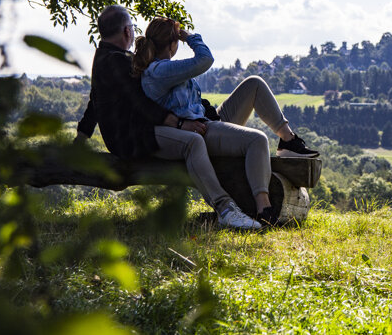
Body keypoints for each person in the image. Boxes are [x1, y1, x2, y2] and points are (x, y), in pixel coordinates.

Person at [76, 5, 261, 231]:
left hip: (137, 132)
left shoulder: (105, 57)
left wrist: (82, 136)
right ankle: (225, 208)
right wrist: (181, 124)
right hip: (132, 138)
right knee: (193, 142)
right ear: (127, 31)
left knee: (200, 137)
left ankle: (231, 203)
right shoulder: (116, 60)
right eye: (132, 28)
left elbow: (94, 100)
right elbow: (140, 103)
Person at [133, 17, 318, 227]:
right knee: (257, 140)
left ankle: (288, 140)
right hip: (199, 130)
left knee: (254, 84)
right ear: (172, 43)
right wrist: (191, 37)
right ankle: (264, 209)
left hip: (206, 120)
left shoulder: (165, 68)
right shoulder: (159, 71)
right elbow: (205, 59)